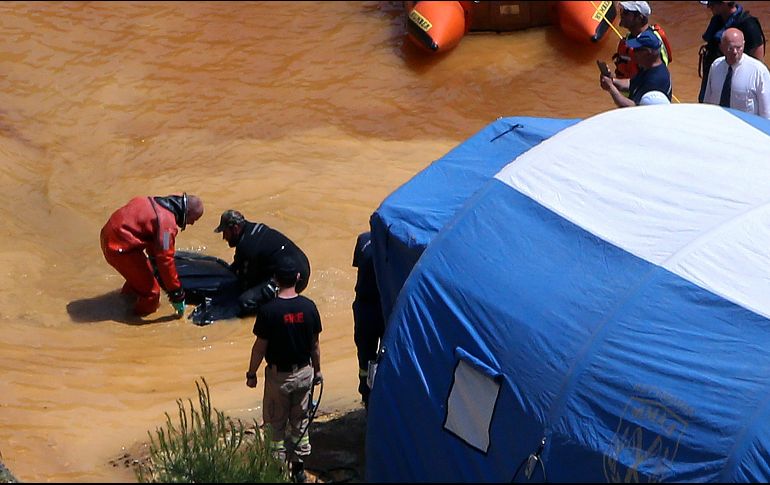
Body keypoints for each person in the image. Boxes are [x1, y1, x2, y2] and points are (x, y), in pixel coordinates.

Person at [246, 256, 323, 484]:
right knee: (300, 422)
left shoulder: (269, 311)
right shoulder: (309, 308)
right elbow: (315, 346)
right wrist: (317, 372)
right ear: (298, 278)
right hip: (304, 374)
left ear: (275, 279)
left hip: (279, 378)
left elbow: (259, 348)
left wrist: (251, 374)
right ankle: (298, 470)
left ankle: (278, 470)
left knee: (275, 425)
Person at [100, 193, 204, 316]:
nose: (192, 223)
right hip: (118, 248)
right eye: (194, 219)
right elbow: (165, 259)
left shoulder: (155, 203)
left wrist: (155, 262)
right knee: (152, 293)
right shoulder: (167, 227)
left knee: (143, 276)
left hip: (109, 234)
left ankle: (124, 301)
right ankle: (133, 321)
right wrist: (176, 293)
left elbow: (149, 236)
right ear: (188, 213)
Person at [215, 210, 311, 317]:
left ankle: (270, 313)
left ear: (235, 228)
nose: (224, 237)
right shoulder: (252, 229)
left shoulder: (246, 246)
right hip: (302, 266)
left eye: (225, 232)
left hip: (294, 278)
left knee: (245, 301)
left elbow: (245, 282)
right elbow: (238, 265)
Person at [698, 1, 765, 103]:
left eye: (712, 3)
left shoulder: (749, 26)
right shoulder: (717, 21)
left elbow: (758, 68)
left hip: (737, 92)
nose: (708, 7)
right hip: (713, 81)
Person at [703, 28, 770, 118]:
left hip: (745, 128)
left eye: (739, 48)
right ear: (722, 47)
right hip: (718, 125)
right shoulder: (716, 66)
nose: (735, 52)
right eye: (730, 48)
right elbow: (707, 103)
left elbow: (766, 112)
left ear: (744, 45)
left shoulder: (759, 71)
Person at [351, 231, 385, 408]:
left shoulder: (364, 239)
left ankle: (368, 395)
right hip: (378, 305)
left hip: (368, 306)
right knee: (376, 355)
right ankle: (371, 394)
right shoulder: (394, 243)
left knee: (366, 356)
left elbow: (358, 266)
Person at [600, 30, 672, 108]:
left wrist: (611, 88)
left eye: (636, 50)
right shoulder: (646, 67)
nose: (632, 52)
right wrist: (612, 80)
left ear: (647, 53)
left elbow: (635, 107)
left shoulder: (656, 80)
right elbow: (632, 83)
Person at [612, 1, 672, 80]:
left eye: (626, 12)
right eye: (622, 10)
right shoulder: (630, 38)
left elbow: (648, 83)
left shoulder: (649, 45)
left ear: (639, 18)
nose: (622, 14)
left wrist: (612, 83)